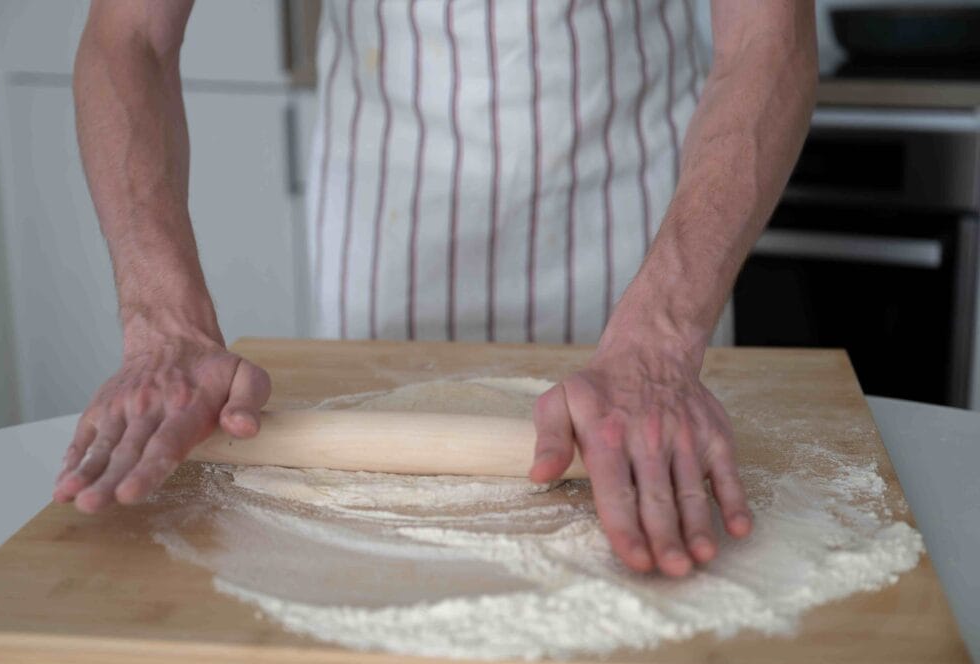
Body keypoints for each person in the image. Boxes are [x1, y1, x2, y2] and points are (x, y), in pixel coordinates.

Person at [54, 0, 818, 578]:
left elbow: (767, 38)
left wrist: (660, 339)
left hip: (643, 235)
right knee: (380, 568)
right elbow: (131, 36)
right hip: (390, 215)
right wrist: (164, 326)